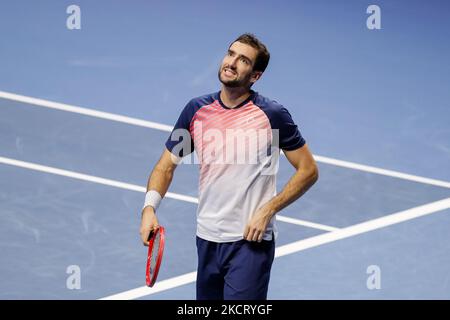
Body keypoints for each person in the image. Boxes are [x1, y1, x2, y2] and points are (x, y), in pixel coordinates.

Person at [140, 33, 319, 300]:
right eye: (230, 54)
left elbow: (308, 170)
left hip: (250, 242)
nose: (232, 63)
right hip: (207, 237)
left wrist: (267, 210)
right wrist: (149, 208)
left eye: (243, 60)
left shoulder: (272, 115)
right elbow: (166, 166)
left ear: (255, 75)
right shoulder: (196, 110)